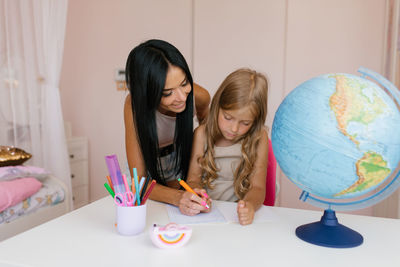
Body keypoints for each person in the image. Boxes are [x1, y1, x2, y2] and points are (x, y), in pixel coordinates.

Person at [124, 39, 211, 212]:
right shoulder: (134, 106)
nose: (181, 97)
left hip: (182, 159)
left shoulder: (200, 96)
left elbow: (207, 135)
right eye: (167, 92)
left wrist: (194, 182)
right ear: (146, 93)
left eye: (184, 83)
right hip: (148, 166)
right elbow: (139, 182)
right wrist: (178, 197)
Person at [185, 68, 269, 225]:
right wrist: (198, 195)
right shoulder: (202, 134)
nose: (234, 129)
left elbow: (258, 187)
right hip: (206, 216)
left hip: (236, 218)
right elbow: (193, 178)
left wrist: (249, 206)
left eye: (245, 123)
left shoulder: (259, 137)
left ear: (256, 120)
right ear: (217, 106)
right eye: (228, 118)